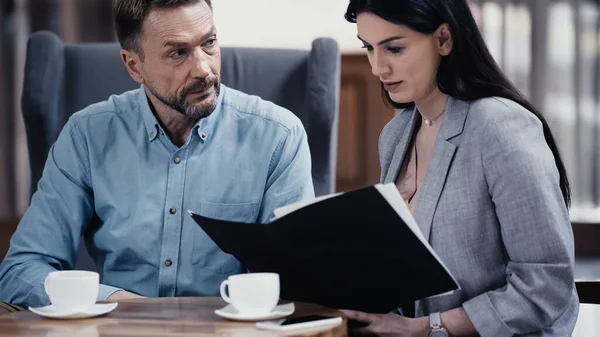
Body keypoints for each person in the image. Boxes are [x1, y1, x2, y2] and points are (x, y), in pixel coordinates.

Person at [0, 0, 314, 310]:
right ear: (134, 65)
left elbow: (298, 281)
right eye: (178, 53)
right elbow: (21, 271)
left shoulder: (278, 137)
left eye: (209, 43)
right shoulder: (86, 136)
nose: (203, 68)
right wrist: (124, 306)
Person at [340, 1, 578, 336]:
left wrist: (426, 328)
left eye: (394, 48)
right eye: (368, 48)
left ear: (443, 40)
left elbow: (545, 283)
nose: (378, 68)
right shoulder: (396, 135)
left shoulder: (498, 126)